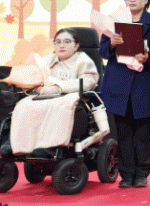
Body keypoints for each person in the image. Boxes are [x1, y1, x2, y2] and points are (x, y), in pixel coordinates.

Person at [100, 0, 150, 188]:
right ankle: (126, 174)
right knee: (124, 132)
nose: (132, 0)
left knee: (143, 133)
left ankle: (142, 173)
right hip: (119, 83)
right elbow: (103, 51)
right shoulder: (114, 20)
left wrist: (148, 57)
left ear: (146, 0)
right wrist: (112, 43)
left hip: (144, 83)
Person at [9, 28, 99, 156]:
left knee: (58, 105)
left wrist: (58, 87)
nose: (62, 45)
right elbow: (31, 80)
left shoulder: (84, 61)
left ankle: (50, 147)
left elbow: (88, 82)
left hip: (72, 96)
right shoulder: (45, 60)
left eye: (67, 42)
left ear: (76, 46)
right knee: (24, 105)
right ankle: (18, 145)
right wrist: (37, 88)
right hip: (45, 95)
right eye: (58, 42)